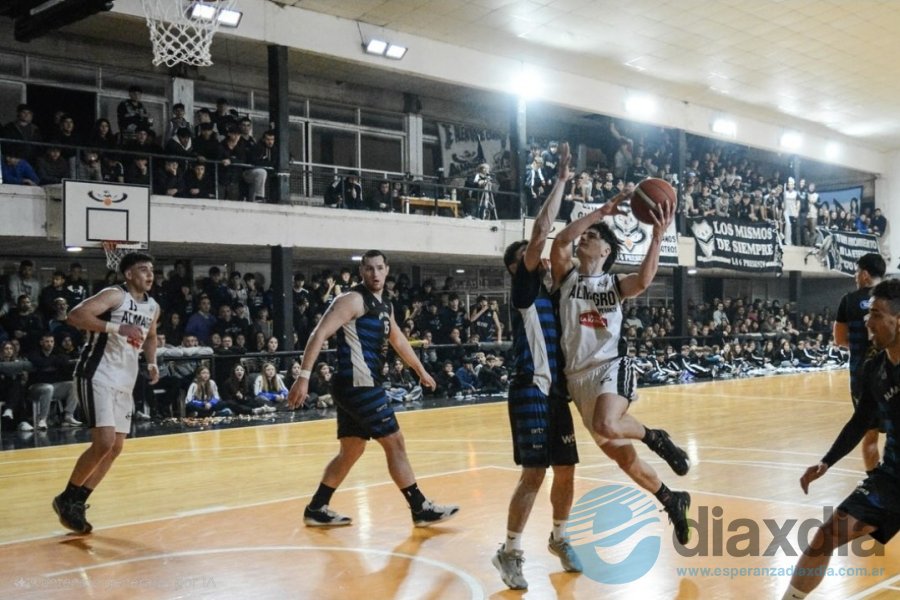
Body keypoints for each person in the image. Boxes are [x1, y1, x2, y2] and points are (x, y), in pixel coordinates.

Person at [549, 186, 691, 545]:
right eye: (585, 235)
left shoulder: (613, 284)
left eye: (593, 236)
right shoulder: (567, 278)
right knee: (624, 460)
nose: (584, 238)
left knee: (607, 424)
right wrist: (600, 212)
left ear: (606, 251)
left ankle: (656, 437)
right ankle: (671, 499)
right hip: (577, 379)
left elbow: (643, 280)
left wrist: (657, 237)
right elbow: (561, 241)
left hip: (610, 365)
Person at [287, 250, 459, 527]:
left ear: (387, 270)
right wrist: (304, 377)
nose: (375, 273)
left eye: (379, 268)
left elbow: (398, 340)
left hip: (359, 384)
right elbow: (318, 333)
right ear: (361, 272)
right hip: (359, 384)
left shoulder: (385, 305)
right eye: (369, 268)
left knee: (352, 449)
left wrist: (421, 371)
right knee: (395, 442)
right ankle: (420, 507)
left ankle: (316, 508)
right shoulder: (352, 300)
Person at [493, 141, 581, 591]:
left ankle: (560, 538)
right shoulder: (524, 290)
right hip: (529, 388)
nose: (543, 259)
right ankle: (509, 552)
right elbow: (542, 231)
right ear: (518, 268)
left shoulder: (553, 293)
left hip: (555, 393)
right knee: (534, 474)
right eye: (531, 257)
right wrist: (561, 180)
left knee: (566, 469)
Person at [782, 278, 900, 599]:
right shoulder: (875, 369)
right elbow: (860, 421)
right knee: (826, 536)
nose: (867, 321)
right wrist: (826, 462)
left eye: (876, 314)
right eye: (868, 313)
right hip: (891, 480)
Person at [52, 252, 160, 534]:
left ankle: (76, 501)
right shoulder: (115, 295)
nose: (149, 274)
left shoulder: (153, 306)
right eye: (143, 269)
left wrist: (152, 362)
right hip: (97, 373)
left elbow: (150, 337)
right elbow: (75, 316)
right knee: (104, 441)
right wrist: (117, 327)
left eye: (151, 270)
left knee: (115, 448)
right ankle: (67, 497)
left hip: (125, 380)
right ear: (128, 274)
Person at [833, 252, 885, 473]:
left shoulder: (849, 300)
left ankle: (874, 482)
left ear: (864, 274)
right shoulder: (894, 298)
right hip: (892, 372)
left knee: (870, 434)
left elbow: (839, 339)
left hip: (862, 376)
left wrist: (860, 347)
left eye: (856, 272)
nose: (855, 277)